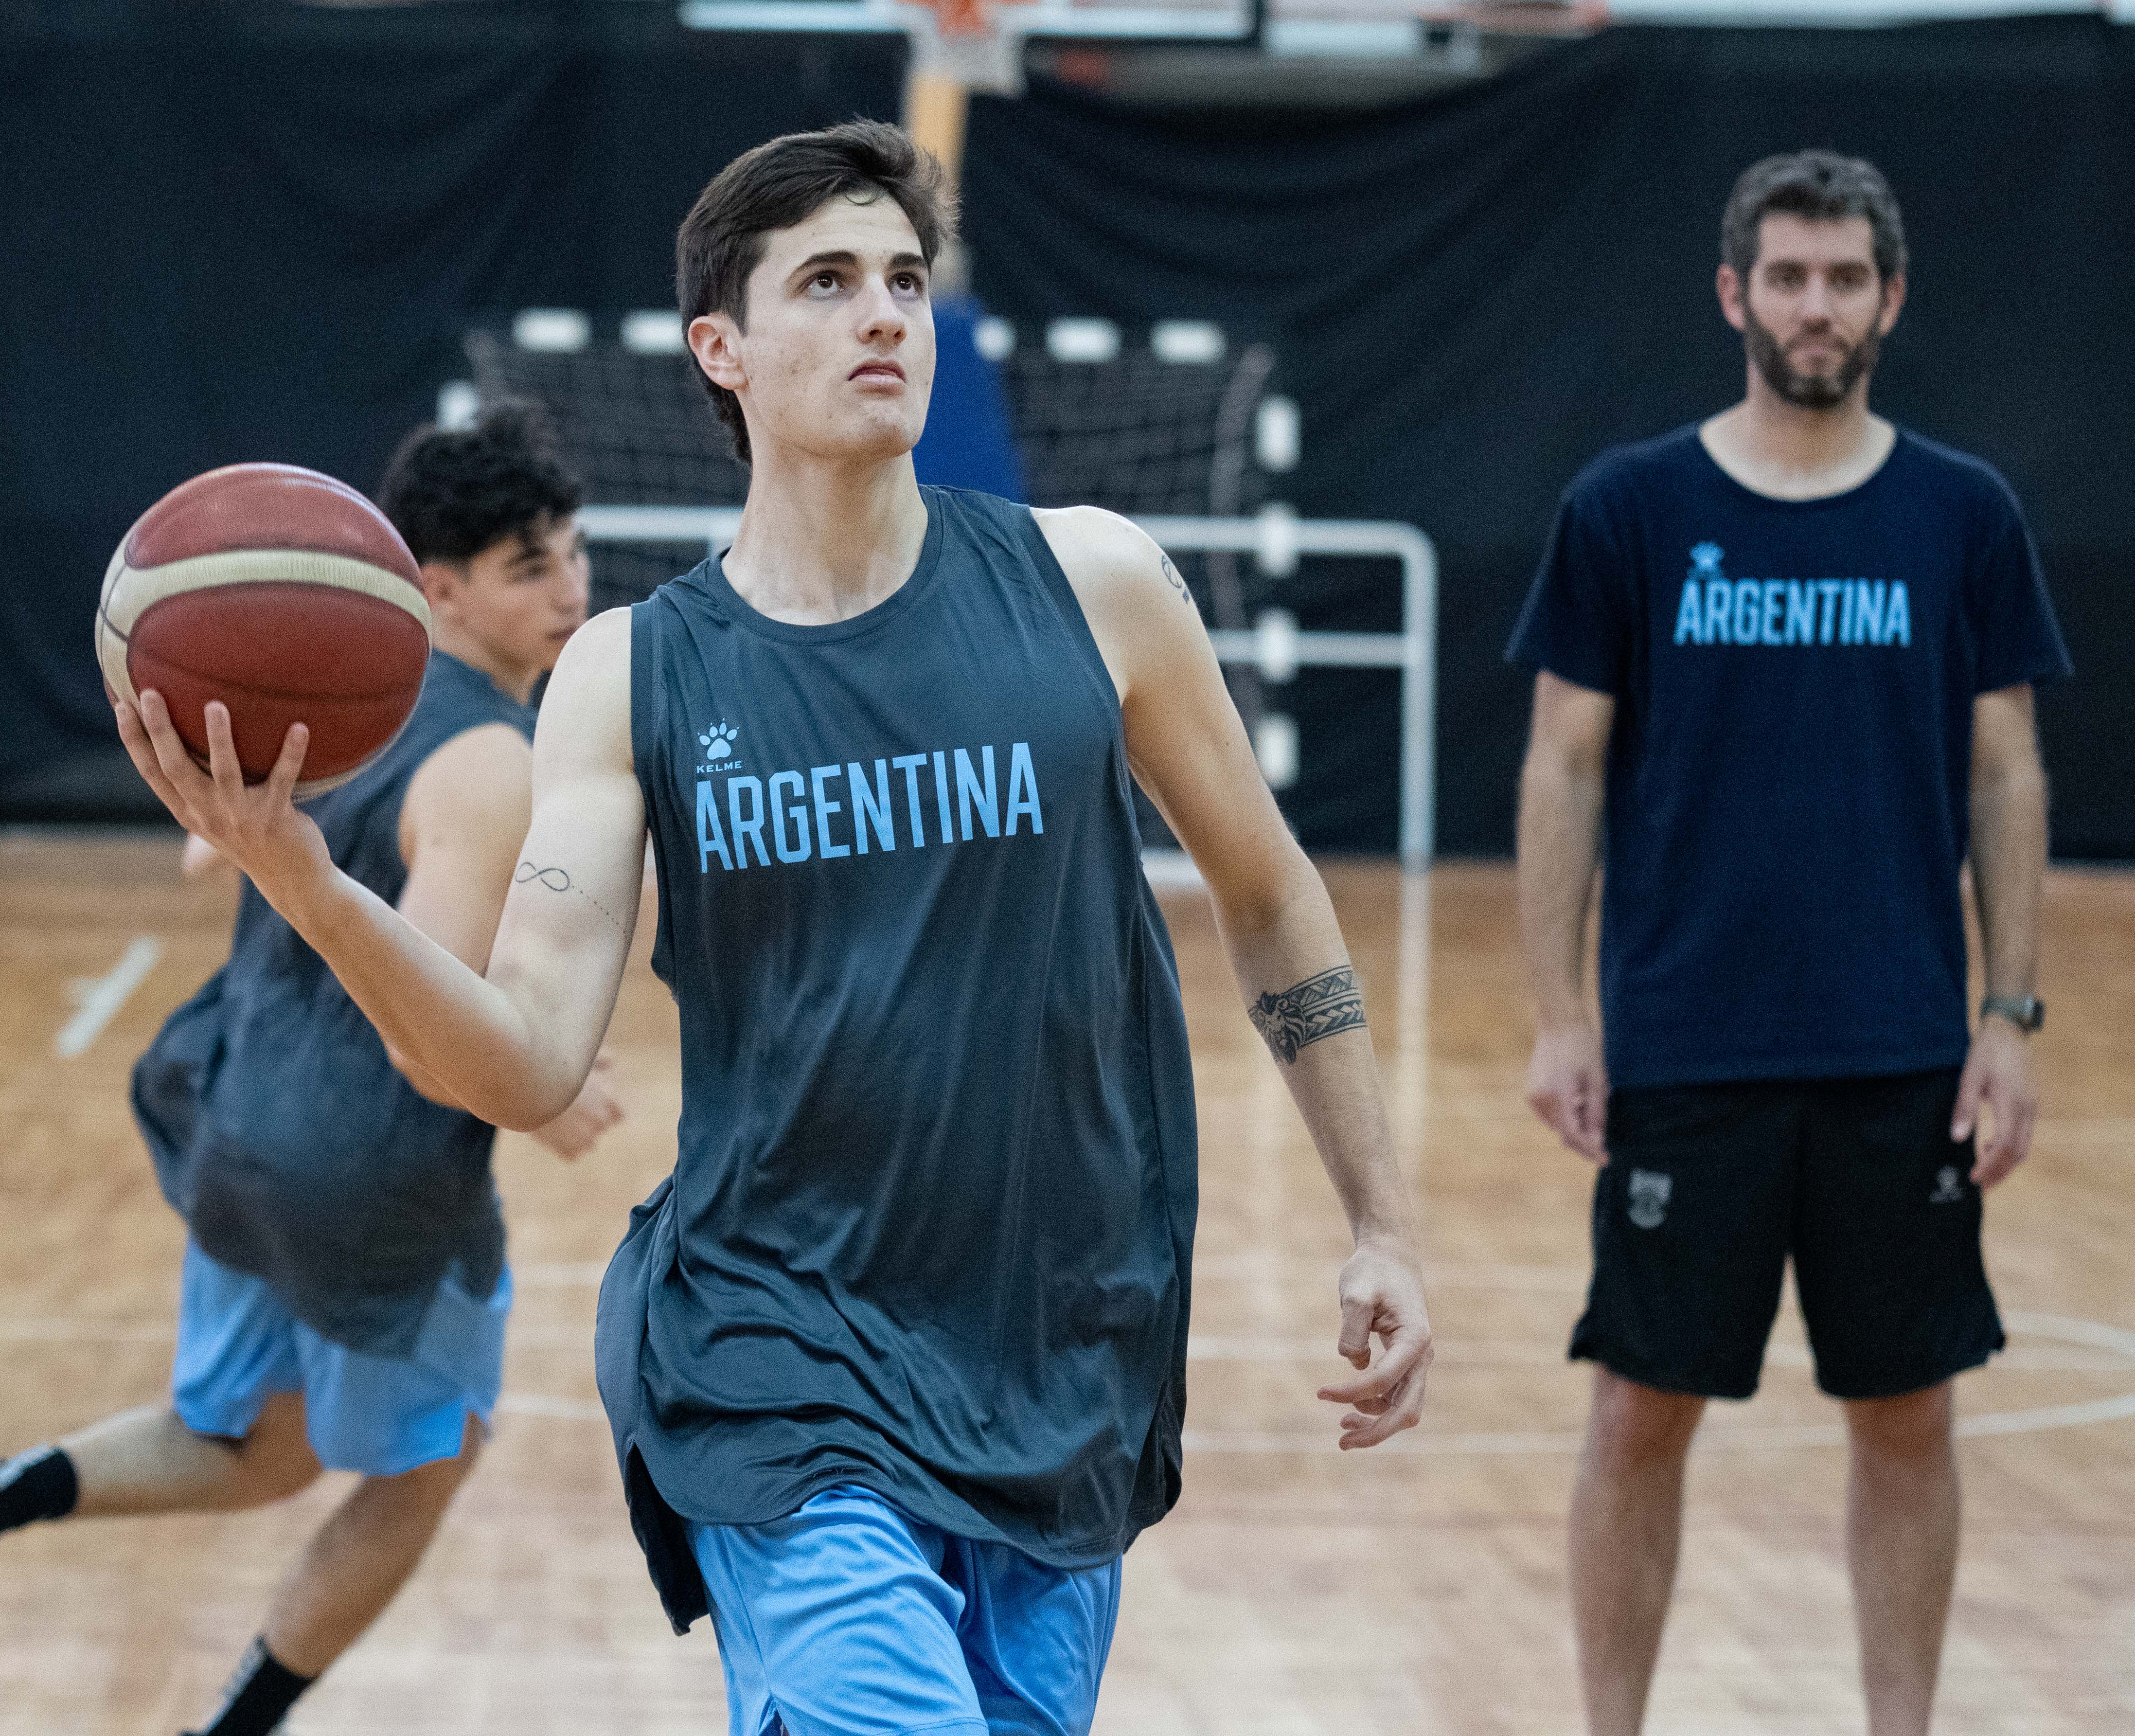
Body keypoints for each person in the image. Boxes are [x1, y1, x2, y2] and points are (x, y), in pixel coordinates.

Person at [110, 121, 1434, 1736]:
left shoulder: (1096, 586)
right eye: (828, 282)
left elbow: (1269, 889)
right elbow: (525, 1060)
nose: (886, 314)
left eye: (902, 279)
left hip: (1060, 1333)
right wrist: (308, 881)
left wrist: (1378, 1214)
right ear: (721, 350)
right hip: (773, 1338)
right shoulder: (630, 672)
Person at [0, 404, 623, 1736]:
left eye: (572, 552)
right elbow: (431, 1061)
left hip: (238, 1121)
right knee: (430, 1461)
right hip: (366, 1173)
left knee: (259, 1446)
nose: (573, 585)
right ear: (434, 587)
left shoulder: (329, 720)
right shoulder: (487, 760)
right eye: (530, 564)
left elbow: (212, 852)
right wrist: (532, 1083)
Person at [1509, 151, 2071, 1736]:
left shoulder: (1961, 514)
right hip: (1686, 1045)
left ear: (1888, 298)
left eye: (1842, 278)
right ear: (1731, 294)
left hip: (1900, 1050)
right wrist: (1560, 1015)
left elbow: (2006, 767)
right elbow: (1558, 764)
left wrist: (2008, 1012)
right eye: (1786, 275)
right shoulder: (1628, 509)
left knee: (1906, 1411)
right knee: (1635, 1410)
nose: (1812, 305)